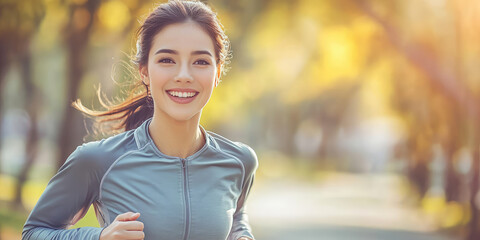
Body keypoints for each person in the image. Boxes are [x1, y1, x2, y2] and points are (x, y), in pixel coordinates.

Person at [22, 1, 258, 239]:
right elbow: (33, 232)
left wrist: (242, 235)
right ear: (144, 71)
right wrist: (98, 237)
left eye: (200, 62)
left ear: (217, 73)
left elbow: (236, 217)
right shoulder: (98, 161)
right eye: (167, 60)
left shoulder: (239, 161)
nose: (184, 75)